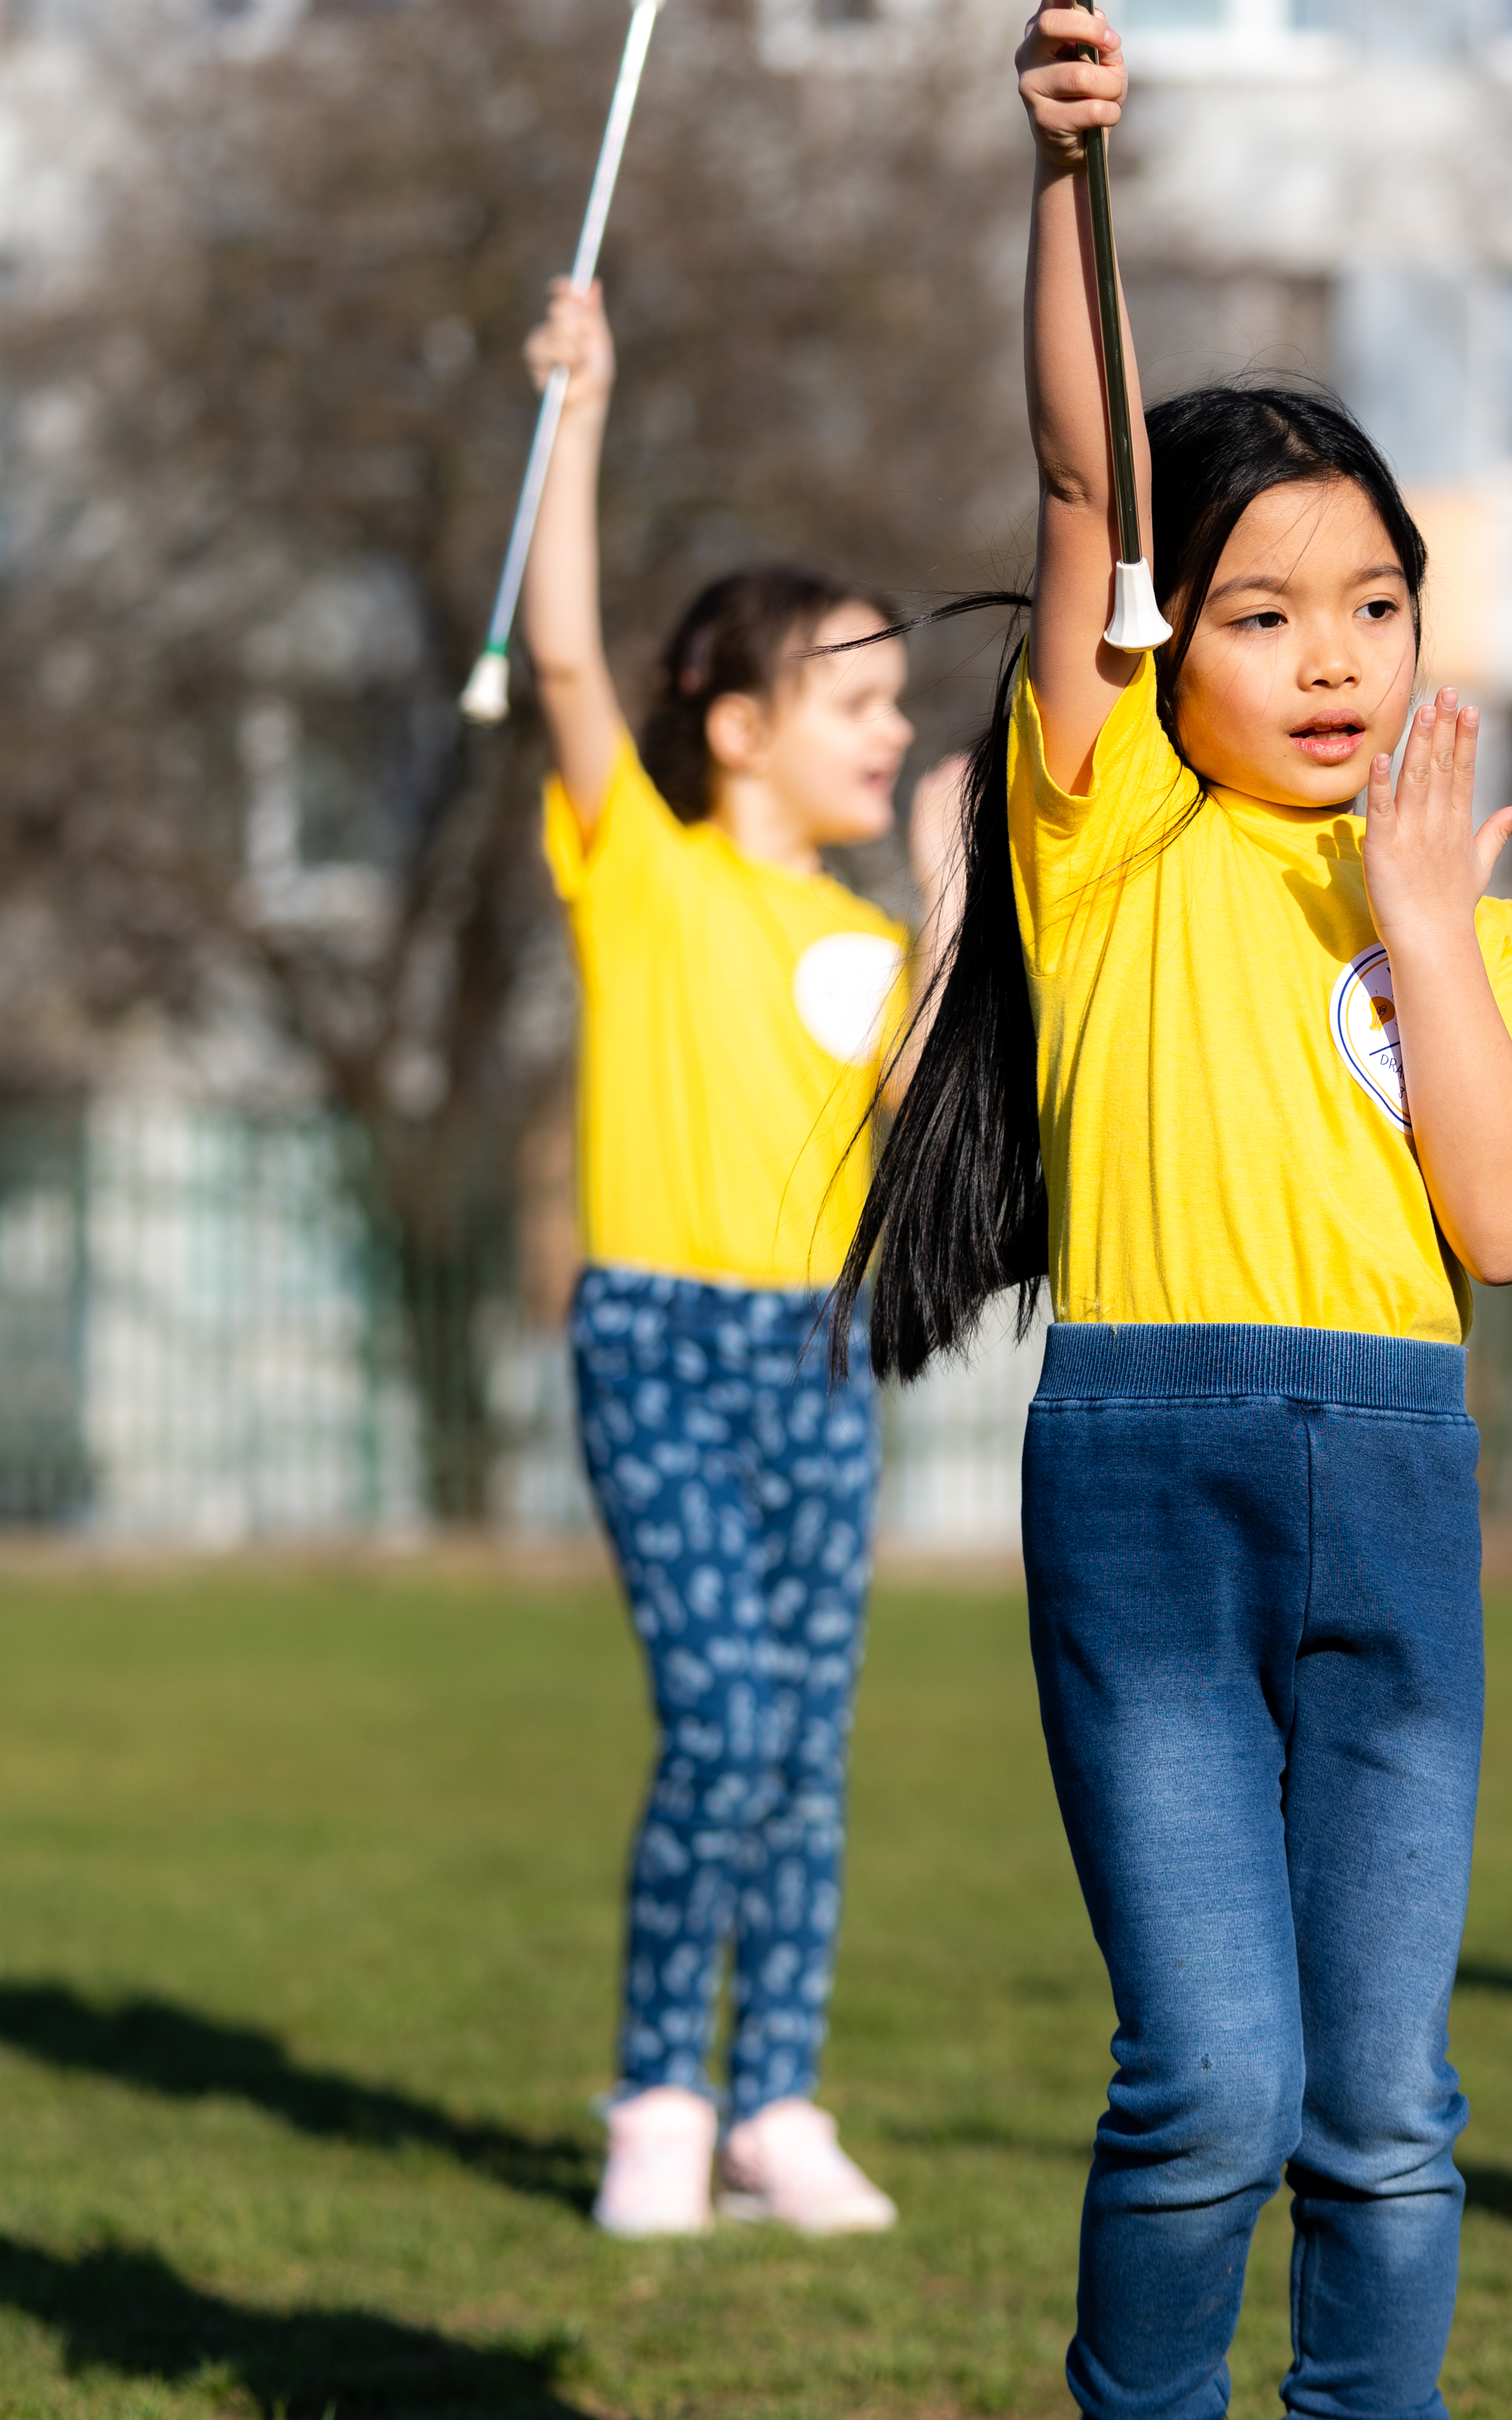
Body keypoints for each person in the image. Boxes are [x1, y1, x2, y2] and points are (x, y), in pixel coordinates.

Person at [833, 7, 1512, 2405]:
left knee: (1385, 2118)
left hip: (1395, 1483)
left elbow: (1511, 1222)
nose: (1333, 652)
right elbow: (1082, 492)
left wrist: (1438, 940)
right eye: (1262, 610)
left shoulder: (1471, 919)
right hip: (1146, 1483)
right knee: (1212, 2097)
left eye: (1373, 600)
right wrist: (1067, 177)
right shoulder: (1114, 831)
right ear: (1175, 654)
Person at [517, 276, 966, 2238]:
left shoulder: (873, 932)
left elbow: (942, 1129)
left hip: (816, 1353)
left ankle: (778, 2099)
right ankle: (657, 2097)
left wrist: (952, 899)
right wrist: (581, 410)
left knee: (813, 1741)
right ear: (739, 727)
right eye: (857, 701)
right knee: (725, 1720)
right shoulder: (647, 865)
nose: (891, 731)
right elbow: (555, 661)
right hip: (654, 1343)